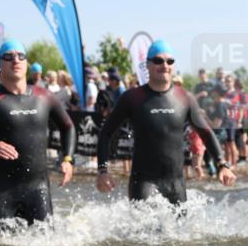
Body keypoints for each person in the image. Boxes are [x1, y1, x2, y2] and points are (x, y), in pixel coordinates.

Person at [0, 39, 76, 231]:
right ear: (0, 65)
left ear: (26, 63)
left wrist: (68, 159)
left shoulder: (43, 96)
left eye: (20, 56)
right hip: (3, 192)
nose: (15, 60)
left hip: (39, 190)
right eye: (8, 57)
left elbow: (68, 127)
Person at [96, 39, 235, 204]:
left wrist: (222, 164)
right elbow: (105, 134)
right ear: (147, 65)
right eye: (158, 60)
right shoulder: (132, 98)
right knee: (142, 229)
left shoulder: (185, 98)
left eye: (169, 61)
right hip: (143, 182)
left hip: (176, 184)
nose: (164, 65)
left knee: (180, 229)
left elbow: (206, 133)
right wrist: (103, 170)